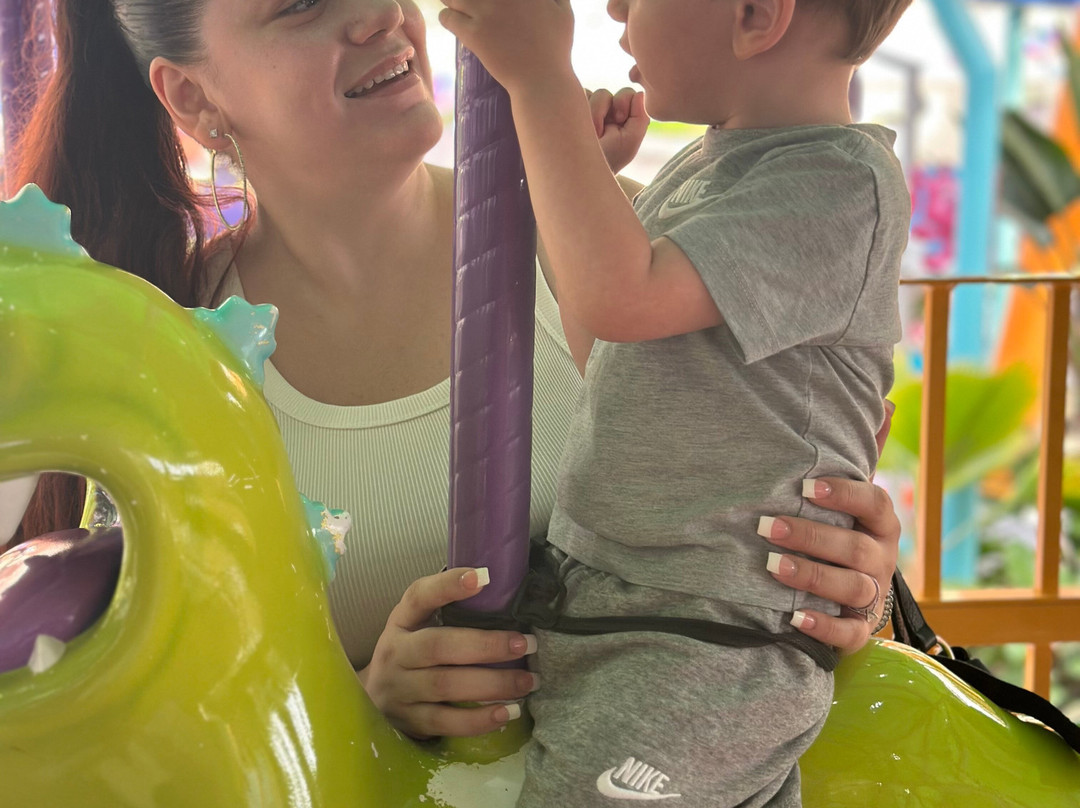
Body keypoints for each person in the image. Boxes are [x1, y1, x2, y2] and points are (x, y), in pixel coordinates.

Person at [7, 0, 901, 745]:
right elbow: (164, 721)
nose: (376, 15)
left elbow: (769, 475)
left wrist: (844, 574)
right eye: (301, 4)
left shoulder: (608, 243)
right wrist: (358, 702)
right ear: (195, 97)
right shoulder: (183, 363)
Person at [439, 0, 912, 804]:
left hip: (707, 628)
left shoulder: (836, 183)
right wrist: (584, 178)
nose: (616, 9)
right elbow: (610, 348)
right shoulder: (712, 167)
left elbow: (621, 299)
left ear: (758, 16)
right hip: (622, 595)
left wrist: (544, 84)